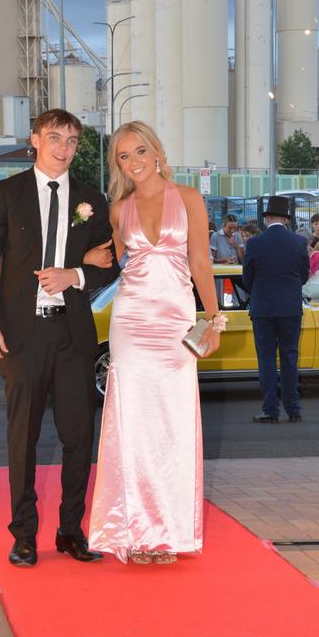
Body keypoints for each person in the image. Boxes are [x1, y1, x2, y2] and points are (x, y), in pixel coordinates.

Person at [0, 108, 120, 568]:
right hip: (21, 335)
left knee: (79, 437)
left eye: (73, 140)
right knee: (24, 437)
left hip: (74, 336)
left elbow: (108, 266)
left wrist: (73, 273)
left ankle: (71, 531)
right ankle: (24, 535)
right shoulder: (7, 193)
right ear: (35, 139)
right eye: (55, 137)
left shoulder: (92, 200)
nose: (64, 147)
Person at [87, 121, 222, 564]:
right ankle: (138, 532)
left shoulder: (189, 199)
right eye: (124, 157)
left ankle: (169, 532)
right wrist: (86, 258)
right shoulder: (117, 208)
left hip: (174, 324)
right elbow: (114, 267)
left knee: (173, 427)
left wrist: (213, 319)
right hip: (131, 321)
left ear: (156, 151)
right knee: (134, 428)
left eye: (140, 151)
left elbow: (201, 264)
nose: (134, 162)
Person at [242, 196, 309, 423]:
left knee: (267, 358)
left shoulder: (254, 243)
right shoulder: (299, 242)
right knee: (290, 357)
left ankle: (270, 409)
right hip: (290, 307)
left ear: (267, 218)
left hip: (263, 308)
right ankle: (293, 409)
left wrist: (261, 292)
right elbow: (303, 276)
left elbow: (247, 278)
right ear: (286, 220)